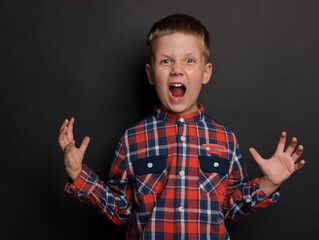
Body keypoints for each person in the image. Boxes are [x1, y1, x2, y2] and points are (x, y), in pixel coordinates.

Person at [58, 14, 305, 239]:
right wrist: (79, 175)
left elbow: (231, 207)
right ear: (151, 74)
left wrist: (268, 184)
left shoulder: (225, 140)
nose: (177, 70)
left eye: (189, 61)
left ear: (206, 72)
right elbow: (121, 210)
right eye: (166, 61)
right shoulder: (131, 140)